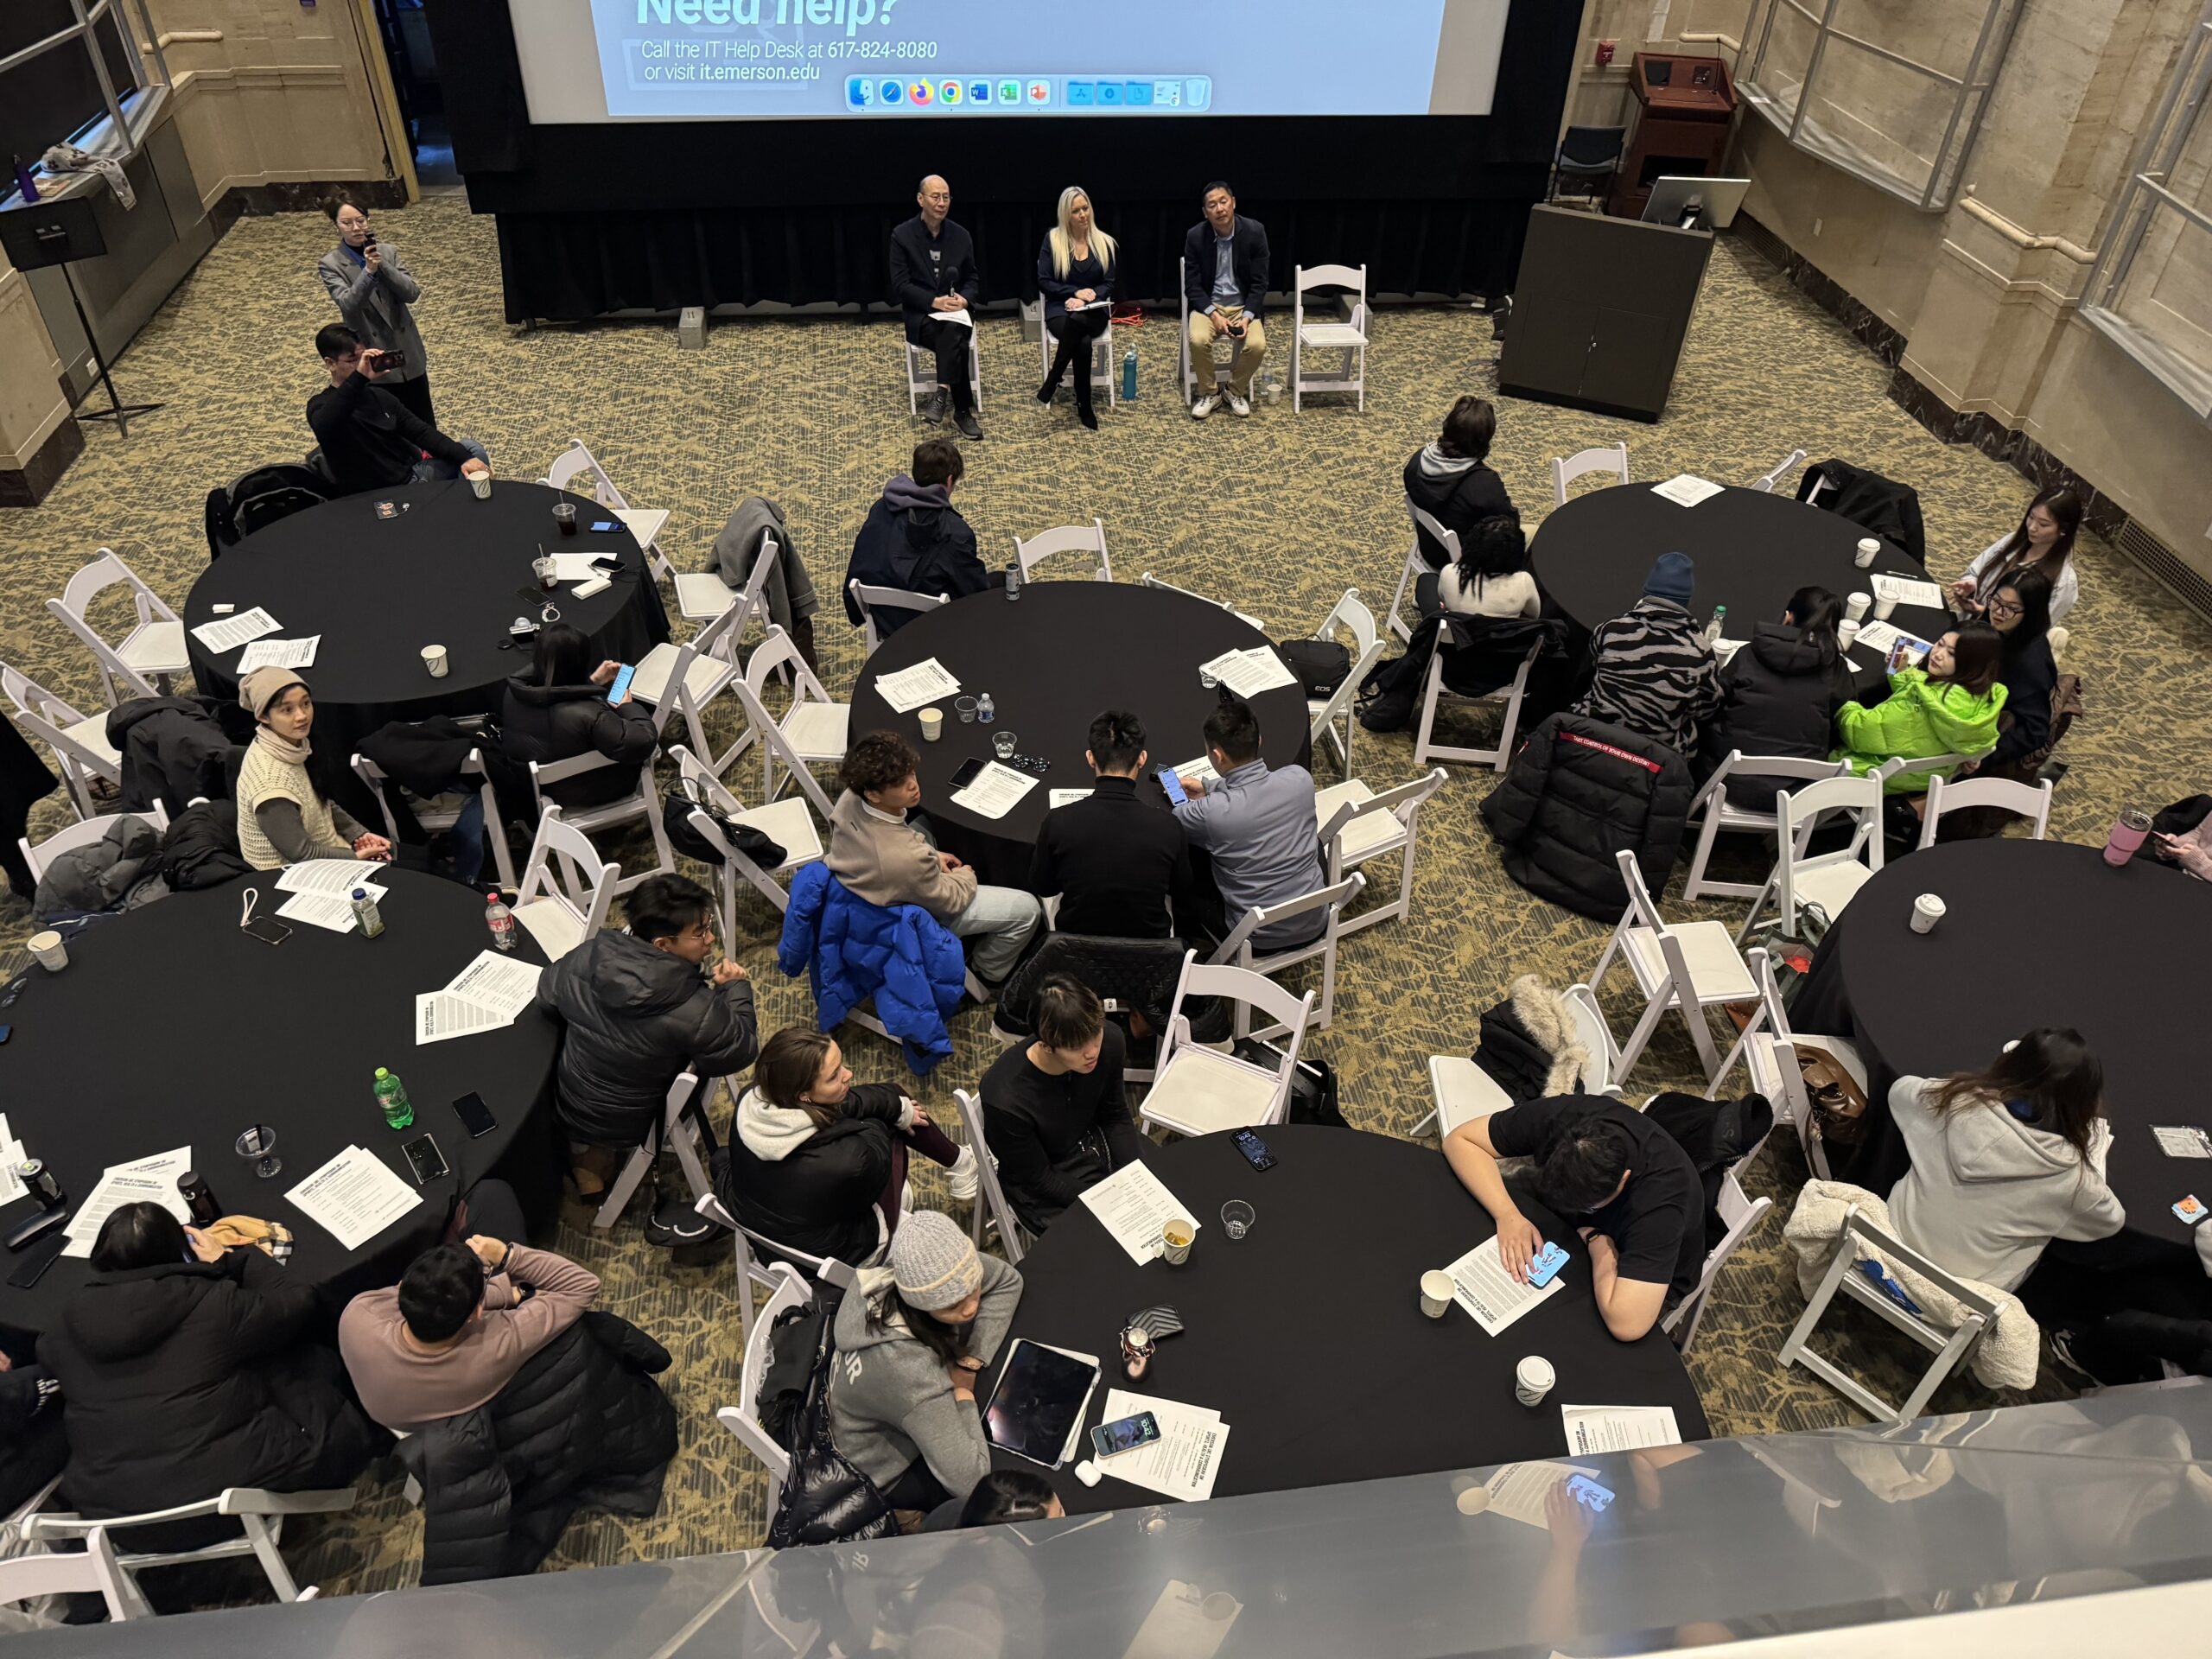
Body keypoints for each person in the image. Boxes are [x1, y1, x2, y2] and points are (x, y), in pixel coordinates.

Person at [38, 1203, 380, 1522]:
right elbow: (297, 1303)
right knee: (310, 1361)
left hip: (117, 1519)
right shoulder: (211, 1303)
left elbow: (50, 1362)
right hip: (221, 1503)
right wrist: (231, 1261)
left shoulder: (61, 1329)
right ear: (180, 1252)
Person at [535, 873, 760, 1198]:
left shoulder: (590, 955)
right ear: (663, 945)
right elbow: (741, 1049)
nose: (711, 939)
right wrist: (735, 987)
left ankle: (584, 1157)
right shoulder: (694, 1008)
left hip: (568, 1096)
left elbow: (546, 996)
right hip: (631, 1120)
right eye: (700, 933)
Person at [1442, 1095, 1704, 1341]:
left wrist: (1599, 1245)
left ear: (1623, 1180)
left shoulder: (1661, 1206)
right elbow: (1461, 1140)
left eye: (1591, 1206)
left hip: (1638, 1262)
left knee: (1554, 1334)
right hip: (1568, 1214)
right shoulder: (1562, 1117)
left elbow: (1627, 1323)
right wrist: (1507, 1214)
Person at [339, 1188, 602, 1431]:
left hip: (396, 1413)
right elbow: (583, 1286)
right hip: (459, 1407)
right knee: (492, 1196)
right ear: (478, 1313)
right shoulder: (494, 1346)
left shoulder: (357, 1315)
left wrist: (501, 1293)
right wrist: (507, 1256)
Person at [716, 1027, 977, 1268]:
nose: (848, 1074)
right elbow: (870, 1139)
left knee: (892, 1103)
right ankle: (964, 1165)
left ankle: (962, 1162)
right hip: (837, 1252)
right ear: (803, 1096)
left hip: (769, 1233)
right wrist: (897, 1110)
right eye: (834, 1076)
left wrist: (895, 1106)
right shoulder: (849, 1160)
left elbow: (848, 1106)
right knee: (893, 1120)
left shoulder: (750, 1099)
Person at [1885, 1029, 2123, 1294]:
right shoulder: (2072, 1179)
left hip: (1882, 1251)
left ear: (2009, 1064)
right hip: (1960, 1297)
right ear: (2083, 1104)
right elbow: (2110, 1221)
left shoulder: (1949, 1101)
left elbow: (1900, 1090)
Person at [830, 1211, 1022, 1511]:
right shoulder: (909, 1374)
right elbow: (970, 1482)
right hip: (881, 1470)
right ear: (921, 1303)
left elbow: (1008, 1281)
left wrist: (969, 1361)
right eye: (953, 1304)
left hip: (868, 1404)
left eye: (974, 1287)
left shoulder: (923, 1269)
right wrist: (964, 1395)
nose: (972, 1306)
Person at [826, 731, 1042, 987]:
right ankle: (987, 972)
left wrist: (931, 855)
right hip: (903, 919)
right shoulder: (902, 859)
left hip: (867, 884)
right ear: (873, 794)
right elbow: (948, 901)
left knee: (926, 823)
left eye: (910, 772)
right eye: (898, 782)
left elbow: (904, 845)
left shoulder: (851, 797)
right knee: (1027, 909)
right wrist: (966, 876)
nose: (913, 784)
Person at [979, 976, 1147, 1233]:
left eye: (1095, 1034)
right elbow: (1039, 1180)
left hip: (1092, 1139)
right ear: (1046, 1046)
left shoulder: (1110, 1040)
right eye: (1077, 1046)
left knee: (1160, 1190)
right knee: (1107, 1251)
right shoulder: (1005, 1097)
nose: (1092, 1051)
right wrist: (1109, 1202)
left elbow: (1115, 1115)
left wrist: (1136, 1175)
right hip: (1043, 1175)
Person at [1173, 690, 1323, 948]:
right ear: (1260, 740)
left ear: (1216, 755)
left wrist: (1208, 794)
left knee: (1181, 878)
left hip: (1256, 937)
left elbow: (1177, 819)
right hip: (1315, 919)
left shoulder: (1211, 813)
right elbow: (1256, 790)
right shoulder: (1300, 779)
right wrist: (1211, 788)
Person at [1028, 709, 1196, 939]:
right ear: (1142, 759)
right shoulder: (1169, 826)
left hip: (1074, 945)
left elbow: (1043, 886)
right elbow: (1180, 890)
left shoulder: (1058, 821)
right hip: (1151, 951)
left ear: (1090, 758)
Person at [1696, 585, 1854, 807]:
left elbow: (1715, 701)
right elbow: (1845, 720)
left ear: (1788, 617)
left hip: (1725, 780)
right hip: (1797, 792)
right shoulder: (1836, 669)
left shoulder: (1749, 655)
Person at [235, 666, 393, 872]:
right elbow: (303, 854)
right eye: (287, 710)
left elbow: (320, 802)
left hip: (328, 849)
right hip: (294, 874)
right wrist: (355, 857)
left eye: (306, 703)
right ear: (264, 717)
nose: (302, 716)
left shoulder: (293, 744)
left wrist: (358, 834)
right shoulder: (269, 786)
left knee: (419, 860)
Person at [307, 324, 488, 498]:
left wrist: (464, 458)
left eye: (365, 358)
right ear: (330, 364)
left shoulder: (379, 396)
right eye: (354, 360)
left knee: (472, 451)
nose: (363, 366)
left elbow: (422, 432)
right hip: (375, 496)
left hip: (411, 478)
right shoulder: (320, 406)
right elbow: (327, 424)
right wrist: (359, 378)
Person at [842, 439, 995, 641]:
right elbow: (974, 593)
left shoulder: (882, 508)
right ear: (950, 481)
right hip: (933, 628)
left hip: (884, 618)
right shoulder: (956, 533)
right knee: (1001, 585)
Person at [1573, 551, 1723, 756]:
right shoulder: (1700, 652)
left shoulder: (1610, 630)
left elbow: (1593, 667)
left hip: (1596, 735)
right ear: (1686, 601)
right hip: (1656, 753)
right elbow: (1706, 710)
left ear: (1646, 594)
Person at [499, 621, 658, 811]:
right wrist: (627, 707)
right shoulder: (590, 715)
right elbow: (643, 741)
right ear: (582, 662)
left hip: (541, 791)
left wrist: (592, 683)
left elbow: (556, 692)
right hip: (588, 789)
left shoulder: (513, 693)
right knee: (655, 748)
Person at [1832, 622, 2006, 791]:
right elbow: (1920, 690)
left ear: (1971, 663)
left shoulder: (1920, 707)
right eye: (1940, 644)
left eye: (1952, 654)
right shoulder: (1982, 697)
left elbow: (1860, 732)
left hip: (1875, 774)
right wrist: (1899, 672)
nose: (1938, 654)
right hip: (1925, 777)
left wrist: (1843, 707)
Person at [317, 192, 435, 427]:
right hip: (373, 355)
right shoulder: (331, 264)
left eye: (361, 220)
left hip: (407, 350)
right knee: (393, 424)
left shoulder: (388, 252)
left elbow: (412, 293)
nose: (356, 228)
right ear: (336, 226)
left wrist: (383, 266)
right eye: (347, 223)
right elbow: (349, 305)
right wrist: (368, 272)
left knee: (425, 422)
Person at [891, 175, 983, 440]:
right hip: (923, 317)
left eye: (946, 197)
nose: (942, 203)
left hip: (957, 314)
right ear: (921, 199)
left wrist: (963, 300)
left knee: (953, 328)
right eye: (936, 197)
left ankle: (942, 394)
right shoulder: (902, 236)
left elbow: (973, 279)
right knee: (953, 337)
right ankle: (962, 411)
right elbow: (901, 286)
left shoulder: (960, 236)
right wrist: (935, 302)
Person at [1182, 181, 1270, 418]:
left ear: (1233, 203)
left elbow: (1260, 283)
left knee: (1258, 345)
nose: (1219, 209)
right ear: (1205, 212)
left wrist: (1248, 316)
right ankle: (1210, 393)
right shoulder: (1195, 236)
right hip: (1209, 306)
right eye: (1212, 205)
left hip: (1243, 306)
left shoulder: (1254, 232)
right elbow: (1192, 286)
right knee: (1198, 339)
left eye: (1223, 202)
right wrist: (1213, 314)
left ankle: (1234, 391)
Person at [1035, 186, 1116, 431]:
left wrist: (1087, 300)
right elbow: (1044, 281)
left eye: (1085, 208)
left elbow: (1109, 283)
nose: (1083, 214)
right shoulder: (1053, 240)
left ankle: (1053, 378)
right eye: (1076, 211)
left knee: (1080, 324)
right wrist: (1073, 293)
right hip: (1061, 309)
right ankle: (1084, 404)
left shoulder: (1104, 242)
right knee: (1081, 341)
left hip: (1094, 311)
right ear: (1065, 215)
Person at [1405, 396, 1516, 566]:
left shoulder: (1417, 461)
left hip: (1428, 547)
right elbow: (1510, 525)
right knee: (1531, 536)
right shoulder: (1484, 484)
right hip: (1461, 563)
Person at [1969, 569, 2056, 779]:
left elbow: (2034, 731)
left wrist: (1982, 755)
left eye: (2011, 609)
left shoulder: (2030, 665)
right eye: (1996, 601)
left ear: (2031, 613)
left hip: (1978, 737)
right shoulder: (1995, 626)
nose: (1998, 612)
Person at [1952, 486, 2082, 626]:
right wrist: (1972, 585)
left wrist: (1984, 613)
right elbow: (1975, 571)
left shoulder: (2064, 582)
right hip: (1966, 627)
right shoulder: (2013, 541)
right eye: (2031, 517)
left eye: (2043, 524)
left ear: (2063, 530)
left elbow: (2032, 631)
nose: (2032, 527)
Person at [1437, 514, 1541, 620]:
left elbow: (1443, 599)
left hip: (1458, 632)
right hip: (1505, 633)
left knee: (1426, 580)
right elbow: (1534, 615)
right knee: (1533, 530)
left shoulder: (1449, 572)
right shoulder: (1524, 582)